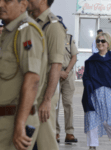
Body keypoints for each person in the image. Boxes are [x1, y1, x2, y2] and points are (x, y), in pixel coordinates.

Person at [0, 0, 48, 150]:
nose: (1, 4)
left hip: (14, 120)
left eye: (7, 0)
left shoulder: (27, 30)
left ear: (23, 5)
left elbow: (32, 80)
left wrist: (20, 124)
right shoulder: (10, 32)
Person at [27, 0, 66, 149]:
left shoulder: (53, 26)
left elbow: (56, 65)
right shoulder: (28, 22)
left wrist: (47, 100)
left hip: (42, 95)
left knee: (45, 143)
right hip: (28, 93)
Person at [56, 20, 79, 143]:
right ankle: (55, 132)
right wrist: (58, 72)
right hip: (54, 74)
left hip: (68, 75)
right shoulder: (49, 38)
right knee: (54, 105)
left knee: (68, 104)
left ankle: (69, 133)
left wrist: (66, 71)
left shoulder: (69, 39)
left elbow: (74, 57)